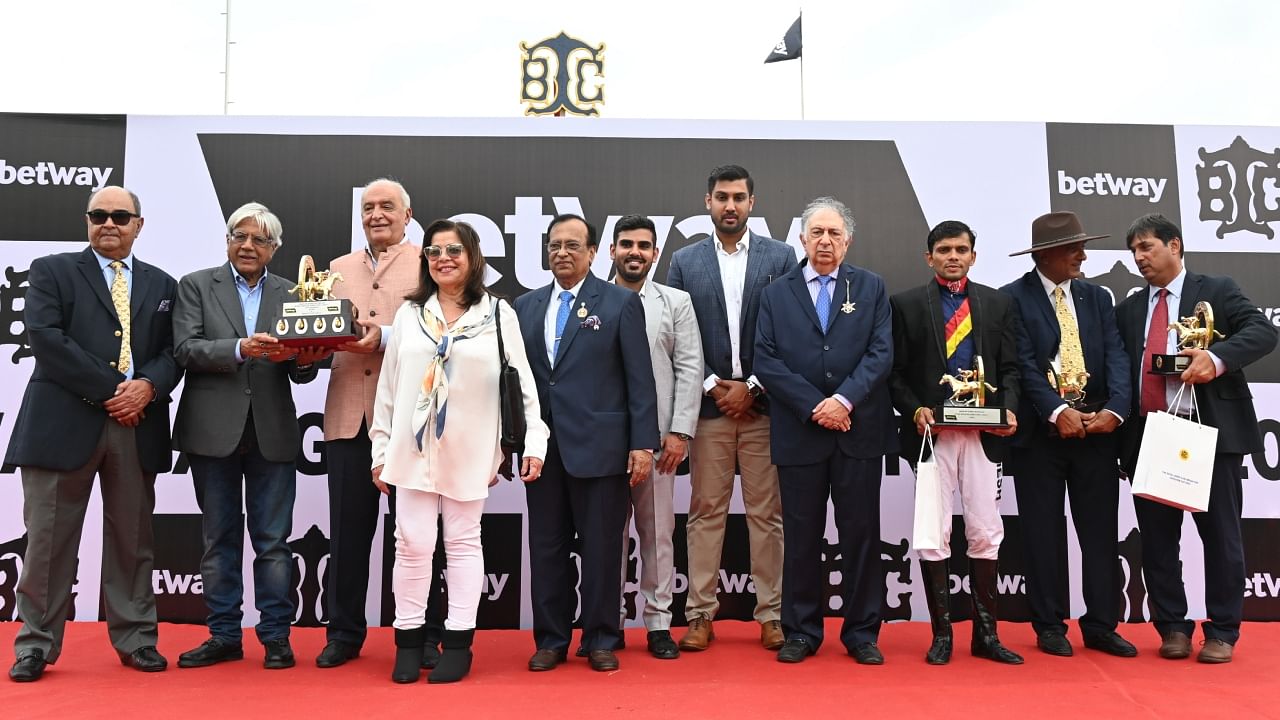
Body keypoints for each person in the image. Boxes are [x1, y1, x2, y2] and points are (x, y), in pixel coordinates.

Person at [6, 187, 180, 682]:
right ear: (86, 221)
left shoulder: (162, 284)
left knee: (133, 540)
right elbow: (45, 338)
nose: (109, 223)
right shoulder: (52, 271)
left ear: (138, 225)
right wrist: (115, 390)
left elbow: (172, 351)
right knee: (48, 543)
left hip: (135, 425)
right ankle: (36, 644)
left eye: (120, 216)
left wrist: (146, 387)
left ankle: (137, 639)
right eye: (98, 215)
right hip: (63, 423)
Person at [370, 219, 548, 683]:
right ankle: (408, 641)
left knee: (464, 544)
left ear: (472, 257)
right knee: (410, 546)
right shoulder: (410, 315)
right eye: (434, 251)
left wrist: (534, 442)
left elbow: (522, 383)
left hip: (470, 448)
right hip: (410, 451)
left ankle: (460, 642)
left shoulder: (497, 313)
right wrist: (380, 449)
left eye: (453, 250)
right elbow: (389, 388)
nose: (443, 258)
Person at [172, 202, 328, 670]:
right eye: (240, 236)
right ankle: (223, 635)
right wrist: (240, 348)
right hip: (211, 431)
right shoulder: (196, 285)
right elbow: (184, 350)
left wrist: (304, 359)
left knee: (274, 542)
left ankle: (276, 637)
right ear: (227, 240)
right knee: (218, 539)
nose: (247, 245)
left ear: (274, 248)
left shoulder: (293, 292)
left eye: (259, 239)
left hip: (273, 432)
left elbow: (304, 372)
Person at [1115, 213, 1277, 664]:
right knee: (1158, 540)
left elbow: (1264, 332)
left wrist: (1217, 358)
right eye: (1134, 252)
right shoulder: (1129, 308)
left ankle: (1223, 629)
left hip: (1210, 436)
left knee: (1222, 537)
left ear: (1176, 245)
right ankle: (1173, 628)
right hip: (1150, 434)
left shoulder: (1218, 290)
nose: (1140, 258)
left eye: (1147, 247)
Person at [753, 196, 897, 664]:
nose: (826, 241)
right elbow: (766, 361)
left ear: (848, 240)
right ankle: (801, 631)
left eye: (835, 233)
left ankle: (861, 633)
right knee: (800, 537)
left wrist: (842, 401)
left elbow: (880, 353)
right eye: (817, 233)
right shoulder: (776, 293)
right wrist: (816, 405)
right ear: (802, 238)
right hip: (800, 432)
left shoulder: (870, 287)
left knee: (860, 534)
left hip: (856, 430)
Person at [514, 213, 659, 673]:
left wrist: (642, 444)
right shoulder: (525, 306)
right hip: (542, 448)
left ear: (594, 252)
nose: (562, 253)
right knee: (547, 547)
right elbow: (513, 381)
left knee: (601, 548)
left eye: (573, 245)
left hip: (601, 446)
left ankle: (601, 637)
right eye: (555, 245)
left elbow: (640, 381)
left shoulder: (618, 303)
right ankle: (552, 639)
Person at [317, 178, 447, 669]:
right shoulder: (335, 270)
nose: (376, 214)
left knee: (416, 537)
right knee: (347, 538)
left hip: (411, 422)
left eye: (387, 206)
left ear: (407, 214)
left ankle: (424, 634)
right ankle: (343, 634)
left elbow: (443, 332)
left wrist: (386, 338)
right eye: (368, 207)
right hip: (350, 418)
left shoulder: (430, 263)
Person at [666, 164, 796, 653]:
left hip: (763, 409)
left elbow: (789, 332)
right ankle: (699, 614)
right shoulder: (684, 260)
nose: (730, 206)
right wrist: (712, 386)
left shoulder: (781, 257)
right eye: (722, 197)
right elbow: (678, 333)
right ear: (708, 203)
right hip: (709, 407)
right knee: (705, 514)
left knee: (767, 515)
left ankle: (772, 615)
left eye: (739, 197)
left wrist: (754, 386)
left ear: (752, 203)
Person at [1000, 211, 1136, 658]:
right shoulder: (1013, 299)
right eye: (1071, 248)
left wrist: (1116, 409)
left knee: (1100, 534)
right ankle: (1049, 625)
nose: (1082, 254)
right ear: (1043, 255)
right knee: (1042, 534)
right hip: (1040, 439)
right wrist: (1056, 410)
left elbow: (1117, 354)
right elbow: (1022, 364)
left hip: (1097, 434)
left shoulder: (1097, 297)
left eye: (1083, 245)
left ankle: (1101, 625)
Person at [887, 220, 1023, 665]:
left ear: (973, 255)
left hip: (984, 435)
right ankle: (941, 634)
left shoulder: (998, 304)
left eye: (961, 249)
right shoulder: (906, 305)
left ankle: (986, 634)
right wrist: (915, 410)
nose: (952, 257)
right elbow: (895, 374)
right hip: (933, 437)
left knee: (986, 530)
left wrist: (1010, 409)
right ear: (929, 257)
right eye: (943, 249)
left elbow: (1012, 369)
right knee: (932, 532)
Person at [608, 214, 703, 659]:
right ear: (611, 251)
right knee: (604, 536)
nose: (635, 252)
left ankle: (659, 622)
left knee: (658, 535)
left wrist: (680, 431)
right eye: (627, 244)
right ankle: (605, 622)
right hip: (603, 443)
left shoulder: (675, 302)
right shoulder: (593, 300)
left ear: (655, 254)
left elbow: (689, 368)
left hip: (660, 441)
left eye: (644, 246)